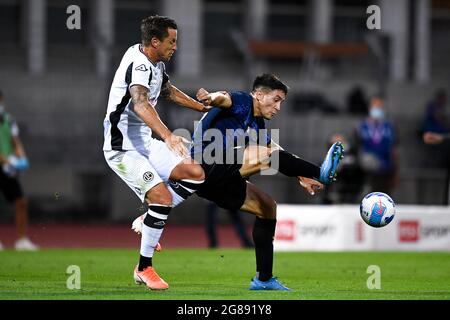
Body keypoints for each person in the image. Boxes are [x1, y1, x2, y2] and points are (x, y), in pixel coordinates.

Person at [133, 74, 344, 290]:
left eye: (282, 101)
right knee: (263, 156)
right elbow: (224, 98)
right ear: (259, 95)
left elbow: (273, 150)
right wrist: (210, 98)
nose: (279, 107)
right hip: (206, 164)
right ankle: (322, 172)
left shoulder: (257, 122)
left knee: (267, 207)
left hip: (220, 180)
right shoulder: (243, 101)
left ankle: (264, 279)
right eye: (277, 99)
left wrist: (301, 176)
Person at [103, 16, 214, 291]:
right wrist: (167, 135)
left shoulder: (155, 64)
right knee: (162, 197)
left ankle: (148, 217)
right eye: (171, 41)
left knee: (196, 174)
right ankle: (143, 268)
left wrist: (201, 108)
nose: (175, 46)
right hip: (122, 148)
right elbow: (141, 104)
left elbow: (167, 91)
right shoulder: (138, 65)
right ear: (155, 41)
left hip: (144, 142)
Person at [0, 90, 38, 251]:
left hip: (7, 168)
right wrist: (7, 160)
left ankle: (22, 240)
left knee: (21, 201)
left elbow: (15, 141)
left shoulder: (8, 120)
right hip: (5, 163)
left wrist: (21, 156)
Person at [354, 96, 399, 195]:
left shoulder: (389, 126)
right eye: (375, 106)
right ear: (369, 108)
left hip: (386, 170)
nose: (377, 109)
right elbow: (357, 148)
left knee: (384, 201)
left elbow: (394, 149)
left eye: (380, 107)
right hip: (367, 171)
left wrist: (396, 172)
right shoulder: (361, 126)